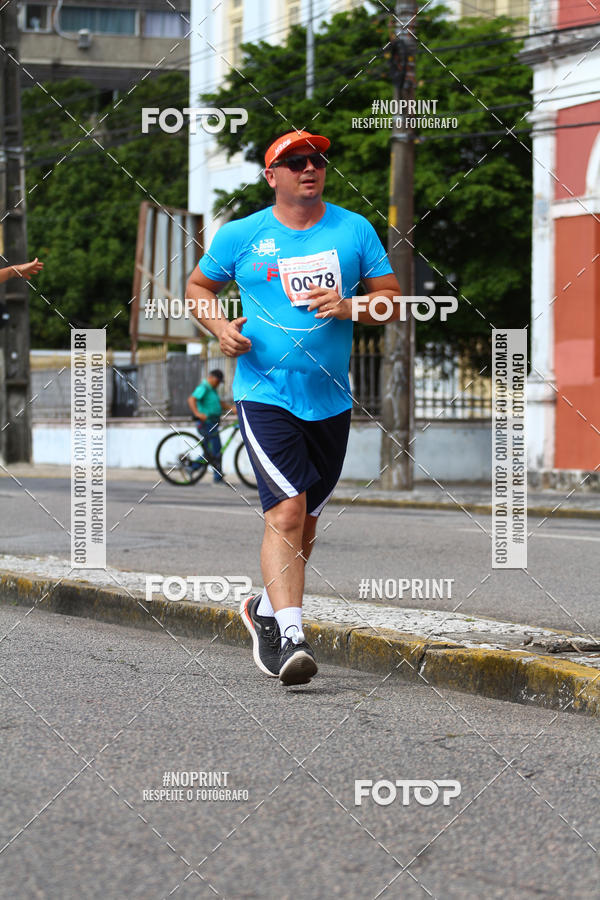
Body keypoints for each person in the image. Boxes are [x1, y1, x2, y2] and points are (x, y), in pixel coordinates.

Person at [185, 129, 401, 686]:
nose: (311, 167)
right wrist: (218, 329)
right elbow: (197, 288)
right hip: (264, 392)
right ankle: (291, 637)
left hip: (329, 398)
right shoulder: (241, 235)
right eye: (296, 161)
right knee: (285, 512)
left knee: (305, 519)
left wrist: (352, 305)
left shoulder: (354, 229)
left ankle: (264, 609)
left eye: (318, 159)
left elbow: (392, 302)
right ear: (271, 175)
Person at [187, 368, 234, 483]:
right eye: (218, 381)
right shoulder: (204, 387)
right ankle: (217, 478)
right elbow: (191, 399)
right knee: (215, 450)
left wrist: (231, 408)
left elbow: (219, 403)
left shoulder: (212, 390)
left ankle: (192, 467)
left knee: (210, 450)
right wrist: (198, 413)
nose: (218, 384)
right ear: (212, 378)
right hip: (206, 423)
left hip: (213, 423)